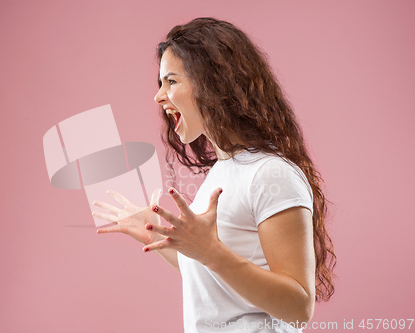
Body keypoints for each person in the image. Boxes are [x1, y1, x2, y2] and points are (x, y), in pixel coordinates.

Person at [92, 17, 336, 333]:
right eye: (160, 84)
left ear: (213, 83)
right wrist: (160, 238)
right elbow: (213, 281)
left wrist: (211, 252)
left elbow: (299, 308)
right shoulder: (221, 173)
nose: (159, 96)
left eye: (172, 82)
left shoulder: (271, 173)